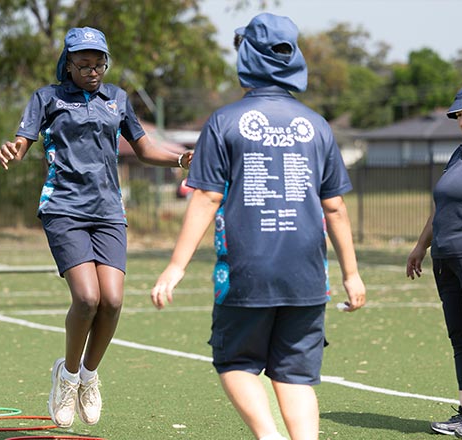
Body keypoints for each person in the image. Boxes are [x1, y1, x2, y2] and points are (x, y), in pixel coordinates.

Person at [150, 13, 366, 440]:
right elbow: (336, 207)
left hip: (248, 271)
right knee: (296, 374)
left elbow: (208, 197)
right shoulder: (317, 126)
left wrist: (175, 266)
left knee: (235, 362)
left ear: (246, 56)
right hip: (307, 275)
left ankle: (268, 437)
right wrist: (352, 274)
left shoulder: (223, 122)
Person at [0, 26, 192, 428]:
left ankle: (88, 375)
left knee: (114, 301)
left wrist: (178, 160)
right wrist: (14, 149)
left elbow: (143, 147)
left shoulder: (117, 98)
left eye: (98, 64)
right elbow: (22, 140)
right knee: (87, 298)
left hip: (108, 211)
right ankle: (66, 377)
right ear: (67, 64)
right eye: (83, 64)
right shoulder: (46, 98)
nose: (92, 71)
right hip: (64, 209)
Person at [407, 80, 462, 439]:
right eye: (460, 115)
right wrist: (420, 246)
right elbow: (441, 205)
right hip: (447, 257)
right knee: (461, 336)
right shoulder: (461, 151)